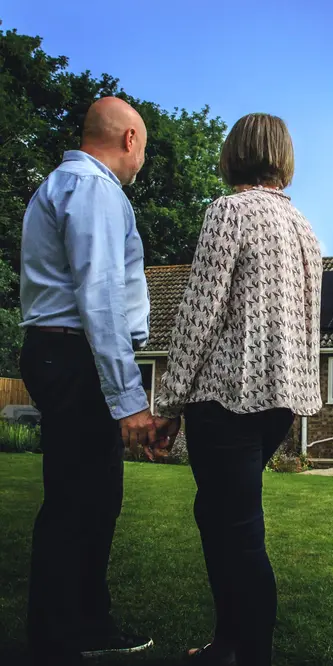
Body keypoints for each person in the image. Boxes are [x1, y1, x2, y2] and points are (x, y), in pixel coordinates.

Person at [155, 113, 323, 666]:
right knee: (221, 520)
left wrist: (171, 402)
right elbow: (308, 324)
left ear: (235, 153)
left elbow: (199, 313)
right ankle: (228, 642)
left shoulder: (228, 213)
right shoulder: (305, 229)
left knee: (239, 533)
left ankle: (251, 653)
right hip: (281, 402)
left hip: (226, 398)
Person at [20, 97, 159, 666]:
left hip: (59, 354)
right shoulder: (96, 189)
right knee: (86, 501)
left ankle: (68, 624)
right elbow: (100, 299)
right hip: (77, 356)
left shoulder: (58, 183)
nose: (141, 160)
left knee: (78, 499)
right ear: (129, 140)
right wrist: (129, 402)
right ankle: (71, 632)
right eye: (144, 148)